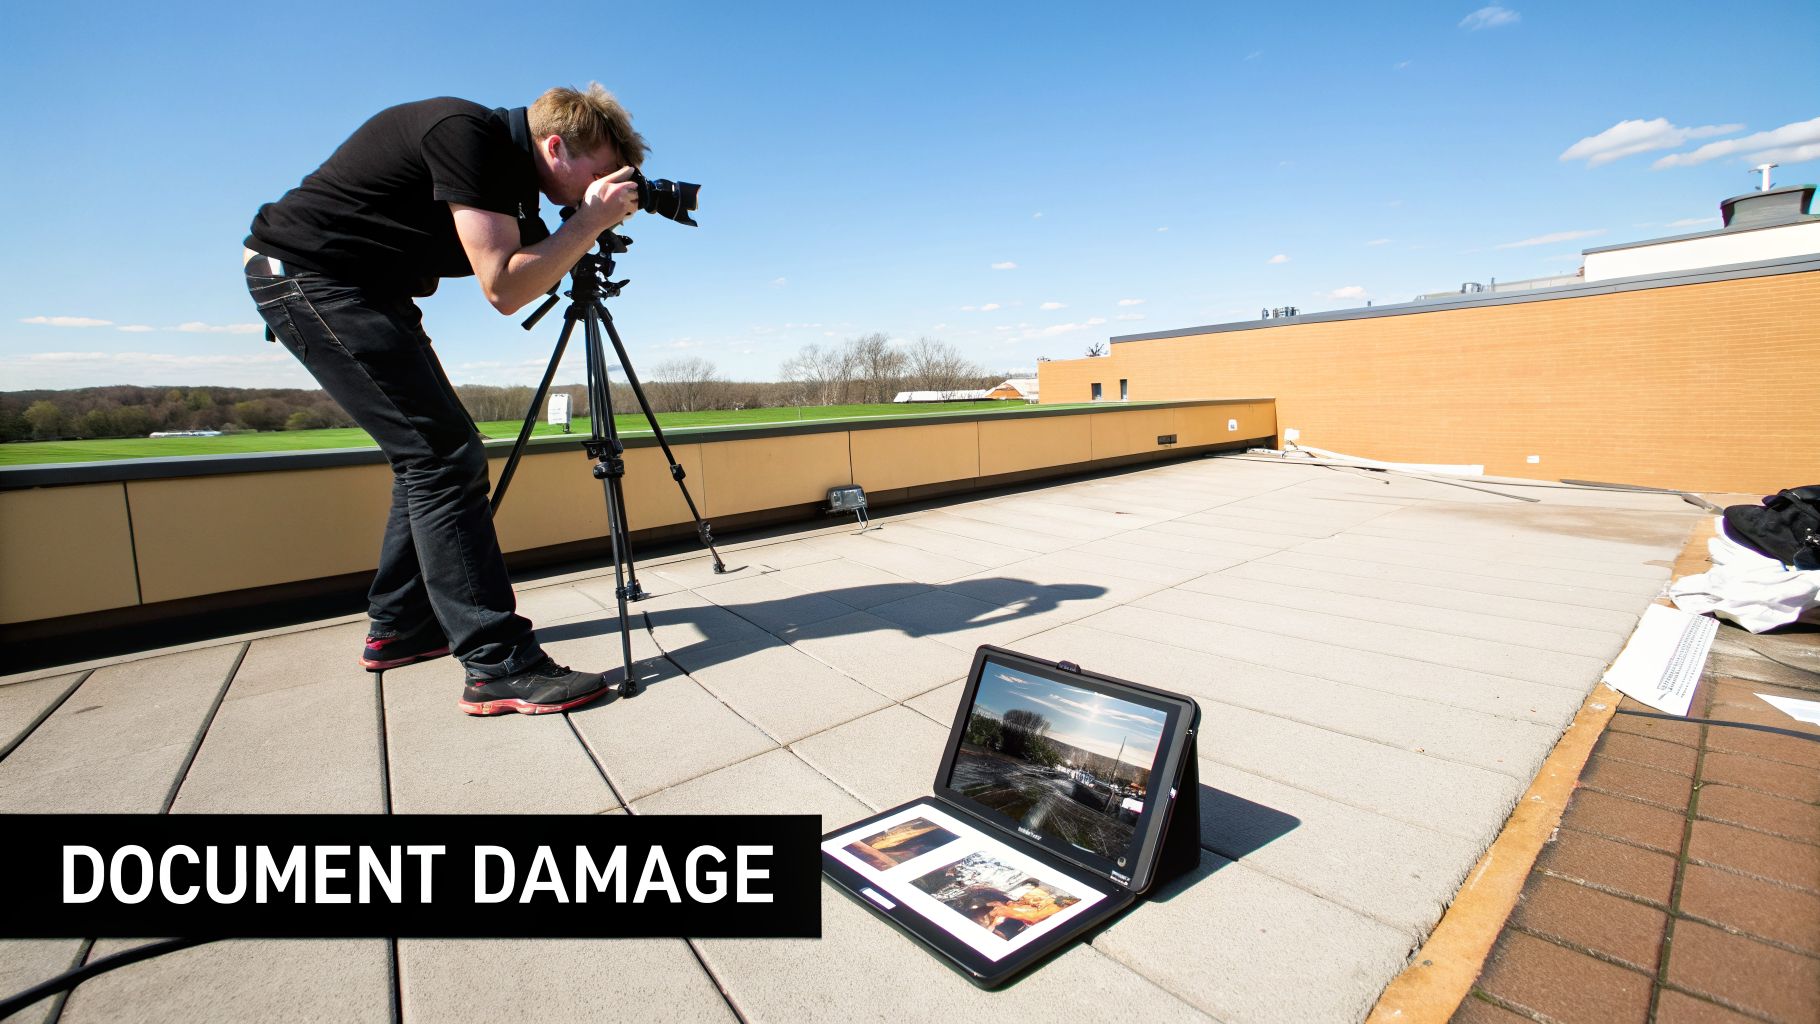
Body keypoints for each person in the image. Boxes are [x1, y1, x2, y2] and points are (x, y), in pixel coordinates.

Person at [243, 85, 645, 716]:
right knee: (443, 455)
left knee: (433, 452)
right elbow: (506, 287)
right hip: (311, 277)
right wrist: (589, 220)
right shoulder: (466, 134)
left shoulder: (512, 179)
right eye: (599, 172)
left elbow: (536, 263)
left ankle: (402, 627)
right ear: (557, 146)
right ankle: (496, 662)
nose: (606, 186)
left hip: (361, 289)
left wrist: (583, 220)